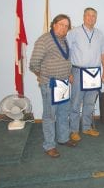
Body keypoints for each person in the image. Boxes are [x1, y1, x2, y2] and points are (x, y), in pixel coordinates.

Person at [30, 14, 77, 158]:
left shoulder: (64, 40)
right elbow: (34, 63)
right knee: (49, 116)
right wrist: (42, 75)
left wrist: (68, 73)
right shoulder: (44, 40)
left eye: (66, 26)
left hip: (63, 83)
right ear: (54, 25)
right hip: (50, 84)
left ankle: (63, 138)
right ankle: (49, 146)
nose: (64, 28)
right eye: (61, 24)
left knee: (63, 113)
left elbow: (65, 59)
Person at [67, 7, 104, 142]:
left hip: (94, 72)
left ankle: (86, 127)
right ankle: (73, 130)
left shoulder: (99, 34)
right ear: (84, 17)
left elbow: (103, 53)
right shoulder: (74, 32)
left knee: (90, 102)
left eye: (94, 16)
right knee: (76, 102)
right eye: (88, 15)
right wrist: (68, 72)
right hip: (78, 71)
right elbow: (66, 52)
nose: (91, 18)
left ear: (96, 18)